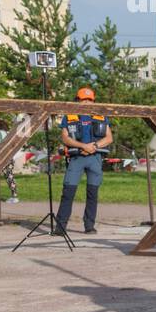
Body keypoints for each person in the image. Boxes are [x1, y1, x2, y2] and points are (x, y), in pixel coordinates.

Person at [56, 87, 112, 235]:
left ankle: (89, 226)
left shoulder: (101, 116)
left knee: (92, 193)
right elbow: (65, 137)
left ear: (94, 101)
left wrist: (94, 146)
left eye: (90, 100)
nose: (87, 102)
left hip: (95, 159)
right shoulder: (69, 117)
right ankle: (60, 227)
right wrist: (82, 146)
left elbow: (109, 138)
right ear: (77, 100)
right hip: (76, 158)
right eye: (83, 100)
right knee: (68, 192)